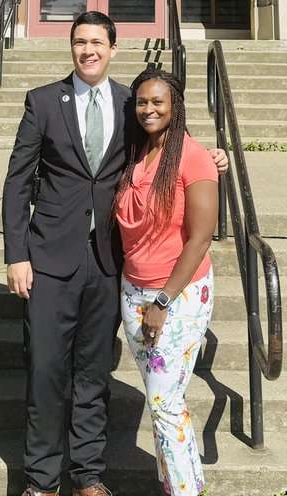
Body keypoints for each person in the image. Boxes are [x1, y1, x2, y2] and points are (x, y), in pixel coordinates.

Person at [2, 11, 225, 496]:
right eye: (80, 42)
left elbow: (170, 142)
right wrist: (15, 254)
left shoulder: (131, 102)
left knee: (94, 370)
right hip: (49, 258)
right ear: (72, 47)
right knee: (44, 368)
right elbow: (18, 180)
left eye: (98, 42)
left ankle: (87, 475)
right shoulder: (43, 101)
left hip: (109, 261)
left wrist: (212, 156)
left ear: (113, 48)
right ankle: (41, 480)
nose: (89, 51)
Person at [114, 67, 218, 496]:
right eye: (142, 102)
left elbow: (201, 237)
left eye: (158, 101)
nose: (149, 109)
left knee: (164, 405)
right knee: (164, 407)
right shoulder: (137, 152)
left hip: (177, 294)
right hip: (133, 291)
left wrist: (162, 301)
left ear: (175, 106)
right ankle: (179, 484)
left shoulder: (192, 156)